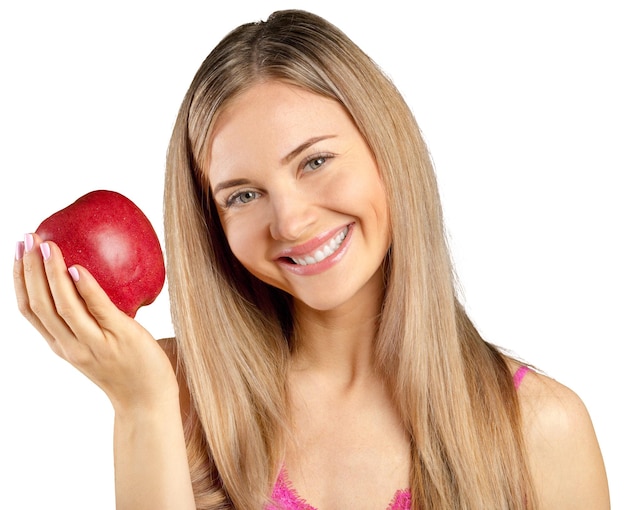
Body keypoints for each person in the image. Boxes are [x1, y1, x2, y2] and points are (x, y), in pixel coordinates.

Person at [14, 9, 610, 510]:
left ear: (386, 150)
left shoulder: (539, 429)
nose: (291, 221)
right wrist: (141, 407)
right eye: (243, 195)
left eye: (315, 161)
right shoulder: (175, 394)